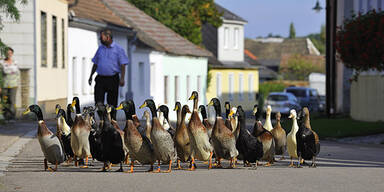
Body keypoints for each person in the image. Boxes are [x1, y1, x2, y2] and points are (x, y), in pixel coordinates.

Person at [88, 29, 129, 117]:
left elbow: (123, 64)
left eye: (101, 38)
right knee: (98, 102)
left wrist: (122, 78)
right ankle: (103, 119)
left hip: (112, 78)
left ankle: (112, 121)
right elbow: (95, 63)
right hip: (100, 78)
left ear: (108, 37)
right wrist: (91, 76)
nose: (100, 39)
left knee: (112, 103)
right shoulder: (100, 49)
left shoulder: (118, 49)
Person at [0, 47, 20, 120]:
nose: (9, 54)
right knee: (5, 101)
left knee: (12, 100)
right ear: (5, 54)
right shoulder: (1, 63)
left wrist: (18, 83)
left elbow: (18, 74)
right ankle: (6, 116)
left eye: (10, 53)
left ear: (12, 54)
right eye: (7, 53)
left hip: (13, 85)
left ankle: (12, 117)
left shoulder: (15, 62)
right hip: (4, 85)